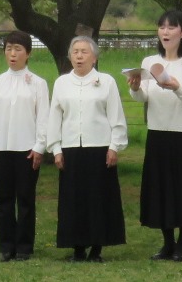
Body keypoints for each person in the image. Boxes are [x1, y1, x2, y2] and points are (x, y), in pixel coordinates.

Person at [128, 9, 182, 263]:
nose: (165, 32)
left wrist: (176, 87)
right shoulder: (149, 61)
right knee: (160, 189)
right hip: (158, 133)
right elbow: (144, 97)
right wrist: (135, 87)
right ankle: (167, 243)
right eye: (162, 27)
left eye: (171, 27)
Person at [46, 35, 128, 262]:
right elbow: (54, 117)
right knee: (74, 200)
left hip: (99, 148)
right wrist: (56, 148)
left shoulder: (106, 82)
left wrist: (114, 146)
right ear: (70, 56)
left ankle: (97, 248)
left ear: (94, 57)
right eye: (75, 52)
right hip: (71, 148)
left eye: (84, 52)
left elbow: (116, 116)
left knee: (99, 198)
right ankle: (77, 247)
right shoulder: (61, 83)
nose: (79, 56)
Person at [0, 30, 51, 261]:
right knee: (3, 199)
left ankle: (25, 246)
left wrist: (40, 146)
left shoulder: (38, 84)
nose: (13, 53)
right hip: (1, 149)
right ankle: (6, 245)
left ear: (27, 54)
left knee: (26, 199)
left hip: (28, 150)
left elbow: (44, 118)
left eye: (18, 49)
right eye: (9, 49)